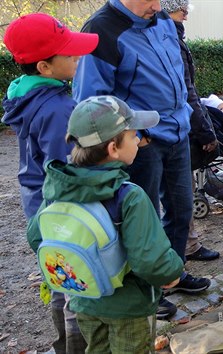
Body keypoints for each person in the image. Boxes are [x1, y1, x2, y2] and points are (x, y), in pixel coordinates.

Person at [73, 0, 211, 320]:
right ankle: (146, 288)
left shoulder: (161, 20)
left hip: (178, 136)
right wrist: (133, 136)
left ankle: (171, 275)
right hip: (140, 145)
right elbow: (91, 105)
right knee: (141, 223)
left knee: (182, 209)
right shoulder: (100, 31)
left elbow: (180, 76)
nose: (158, 5)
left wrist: (191, 119)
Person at [27, 96, 184, 353]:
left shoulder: (58, 189)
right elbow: (149, 259)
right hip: (129, 306)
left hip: (85, 300)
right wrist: (172, 272)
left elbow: (36, 237)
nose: (139, 140)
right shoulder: (129, 196)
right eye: (134, 135)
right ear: (113, 148)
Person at [1, 13, 98, 353]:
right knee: (78, 285)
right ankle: (78, 346)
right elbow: (67, 169)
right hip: (61, 207)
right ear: (44, 66)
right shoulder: (58, 108)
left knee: (59, 276)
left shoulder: (24, 96)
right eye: (69, 54)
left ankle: (63, 345)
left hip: (36, 200)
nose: (77, 57)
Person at [162, 0, 221, 262]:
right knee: (177, 196)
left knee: (177, 195)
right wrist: (206, 132)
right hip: (171, 130)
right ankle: (180, 256)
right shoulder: (169, 39)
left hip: (173, 126)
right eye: (179, 7)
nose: (185, 12)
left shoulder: (171, 36)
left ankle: (188, 247)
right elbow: (186, 91)